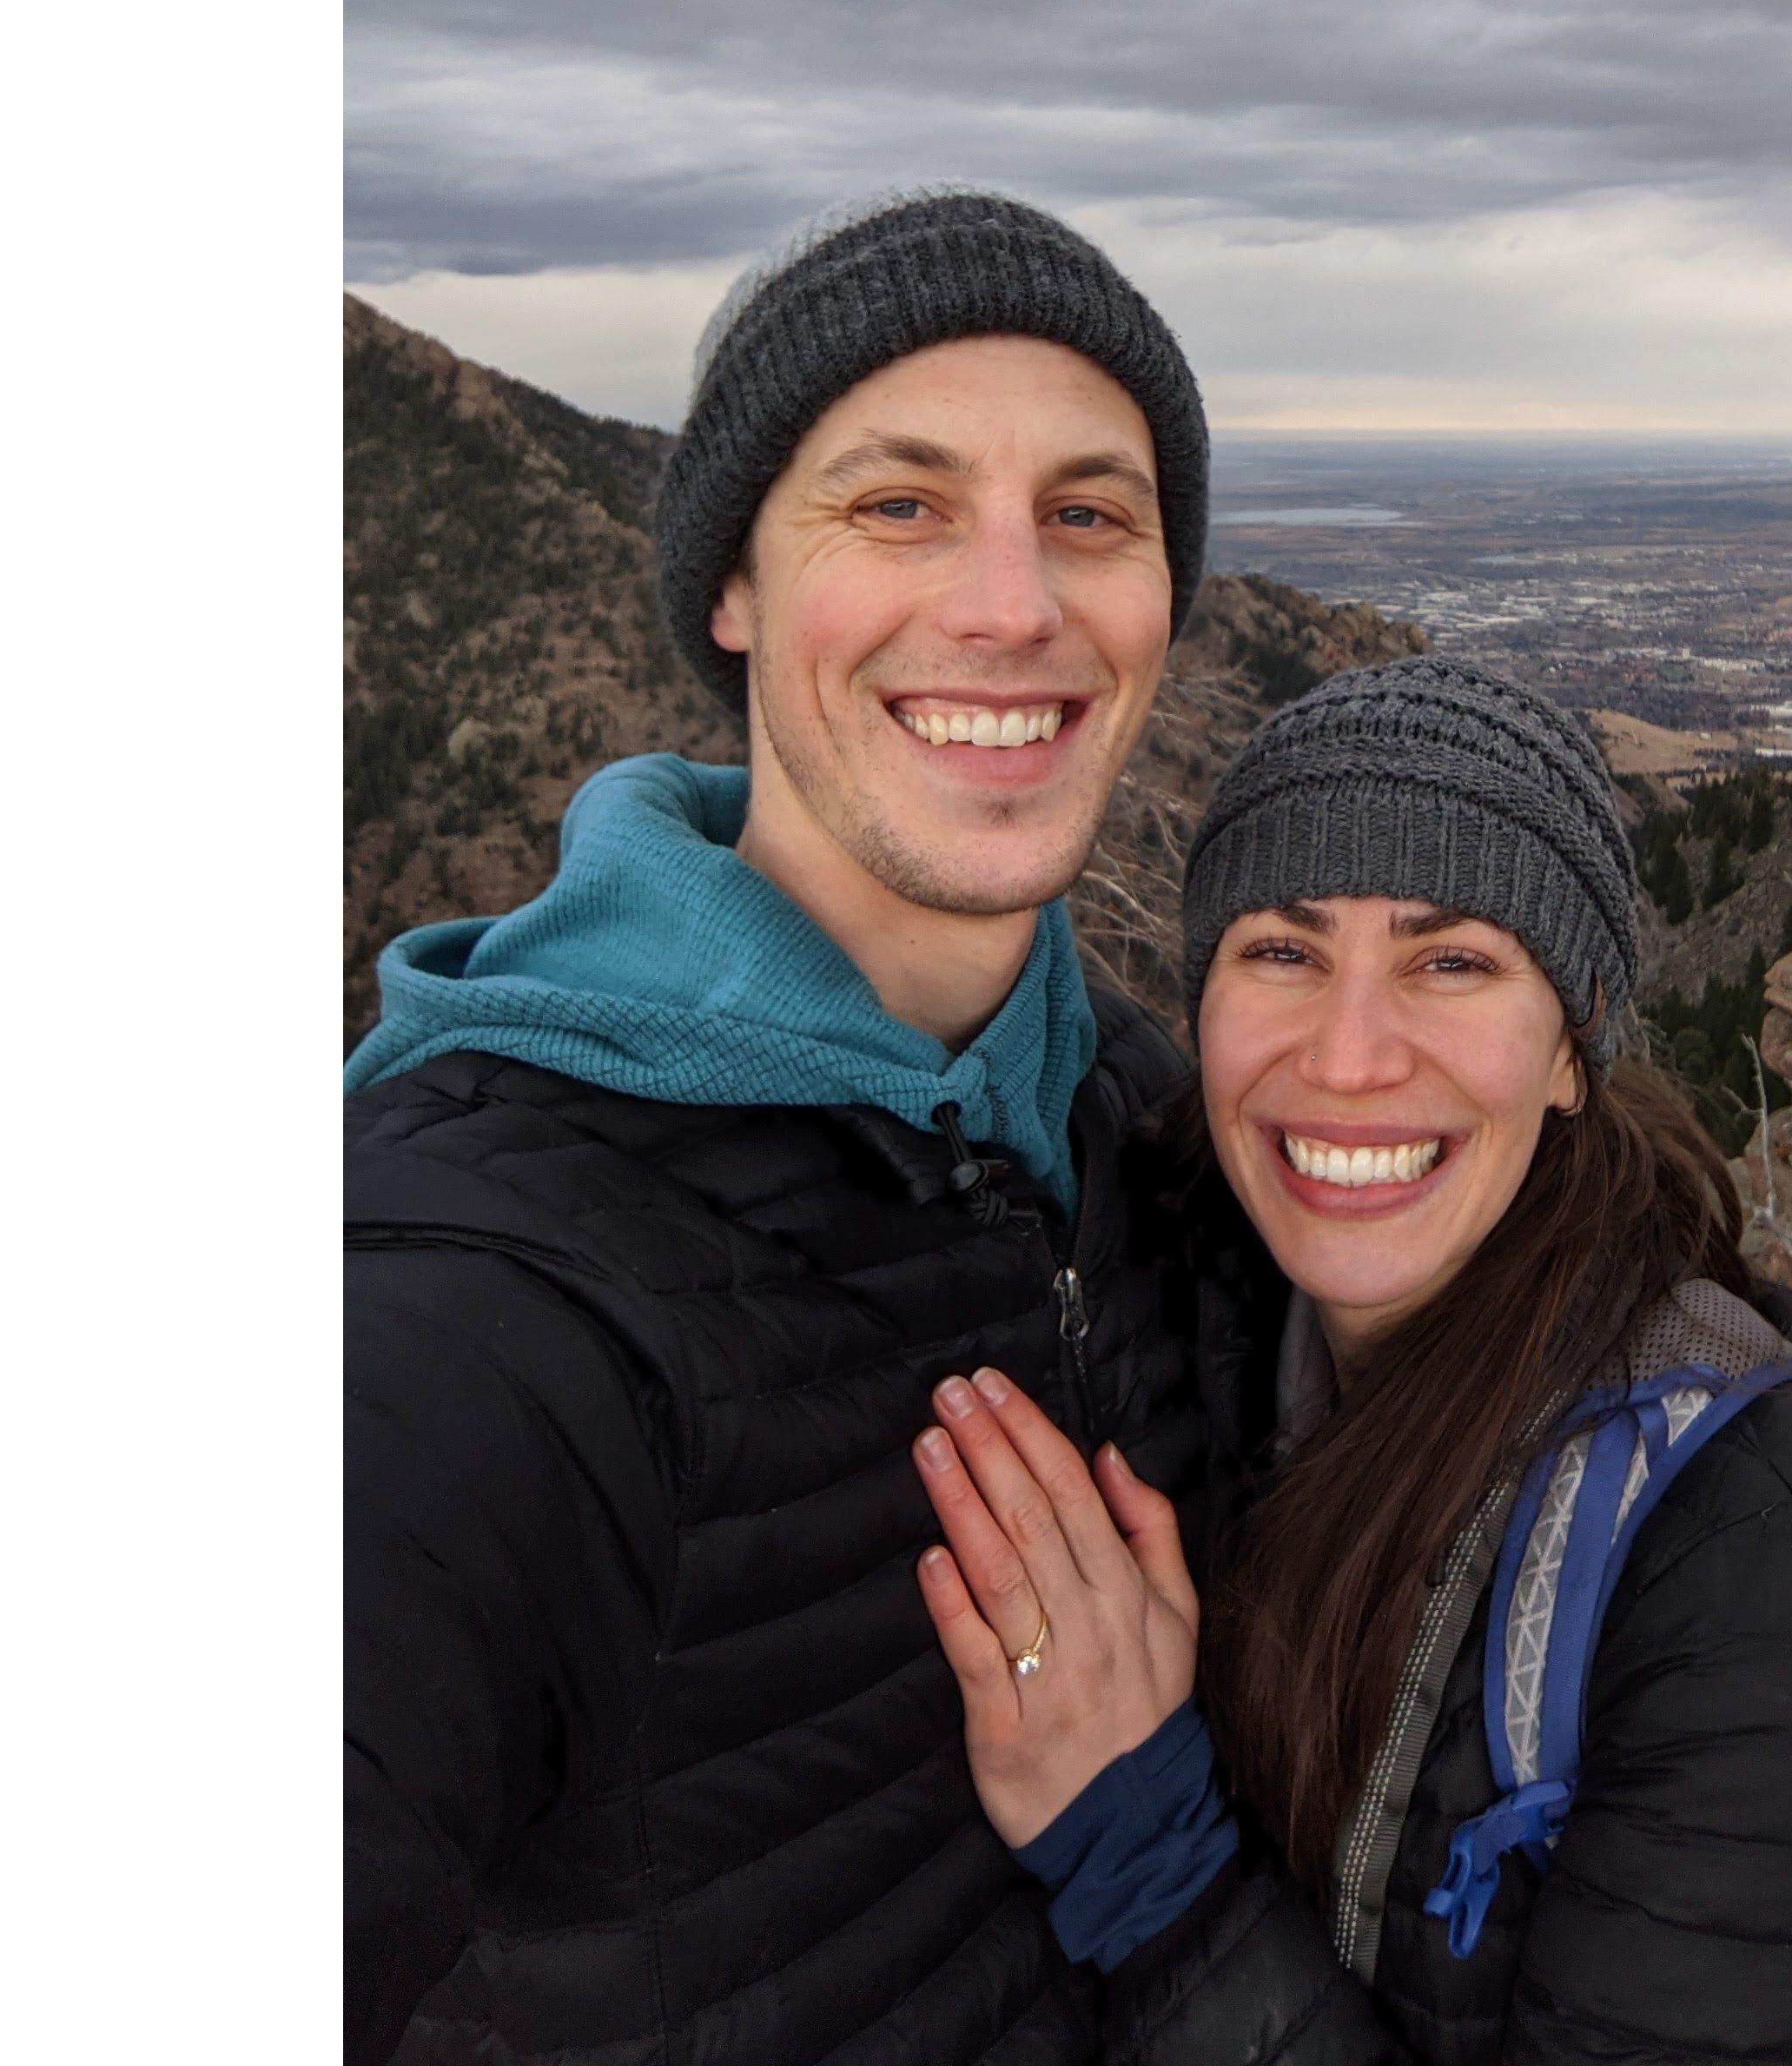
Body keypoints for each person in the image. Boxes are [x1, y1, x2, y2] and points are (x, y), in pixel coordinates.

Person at [344, 189, 1252, 2065]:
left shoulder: (1130, 1114)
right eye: (896, 503)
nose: (1012, 602)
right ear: (732, 592)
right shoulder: (481, 1297)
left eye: (1089, 512)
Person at [906, 657, 1792, 2065]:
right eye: (1284, 953)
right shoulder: (1222, 1332)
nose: (1350, 1057)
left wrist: (1149, 1861)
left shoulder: (1764, 1554)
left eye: (1454, 961)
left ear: (1571, 1046)